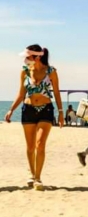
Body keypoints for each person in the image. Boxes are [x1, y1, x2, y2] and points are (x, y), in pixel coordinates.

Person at [4, 44, 64, 190]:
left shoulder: (51, 71)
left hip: (46, 109)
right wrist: (11, 110)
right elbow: (20, 93)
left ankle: (38, 178)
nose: (25, 59)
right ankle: (31, 174)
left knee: (40, 144)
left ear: (37, 56)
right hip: (28, 109)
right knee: (30, 147)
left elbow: (56, 92)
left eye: (27, 57)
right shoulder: (24, 71)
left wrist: (61, 112)